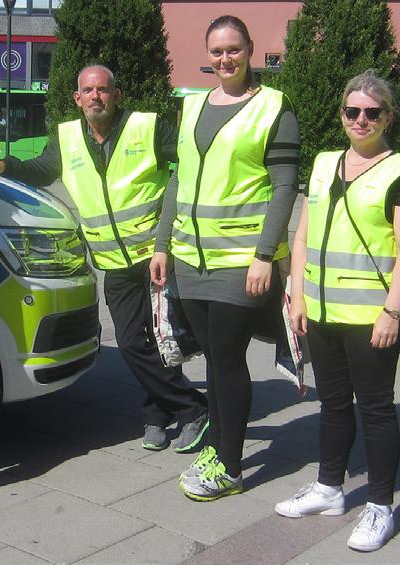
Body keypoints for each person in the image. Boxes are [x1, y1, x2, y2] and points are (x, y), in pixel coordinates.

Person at [0, 65, 209, 453]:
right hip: (113, 261)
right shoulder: (66, 138)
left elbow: (193, 161)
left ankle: (158, 414)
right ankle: (192, 406)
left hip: (156, 256)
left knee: (162, 339)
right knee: (132, 343)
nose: (96, 96)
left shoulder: (147, 127)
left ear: (116, 95)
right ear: (77, 98)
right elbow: (42, 169)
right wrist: (6, 166)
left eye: (103, 89)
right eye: (88, 90)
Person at [149, 15, 300, 501]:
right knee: (213, 358)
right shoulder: (191, 106)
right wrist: (162, 243)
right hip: (192, 259)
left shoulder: (273, 106)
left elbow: (283, 187)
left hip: (240, 261)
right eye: (217, 51)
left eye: (233, 49)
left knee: (229, 359)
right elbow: (178, 179)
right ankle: (219, 445)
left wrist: (263, 256)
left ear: (250, 49)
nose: (225, 59)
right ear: (207, 54)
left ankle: (230, 467)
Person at [274, 70, 400, 552]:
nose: (361, 120)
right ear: (342, 114)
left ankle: (380, 506)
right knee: (332, 405)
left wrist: (392, 312)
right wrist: (297, 296)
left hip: (370, 317)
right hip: (320, 309)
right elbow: (302, 234)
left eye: (372, 112)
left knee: (377, 409)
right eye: (353, 111)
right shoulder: (323, 163)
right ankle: (329, 488)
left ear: (388, 116)